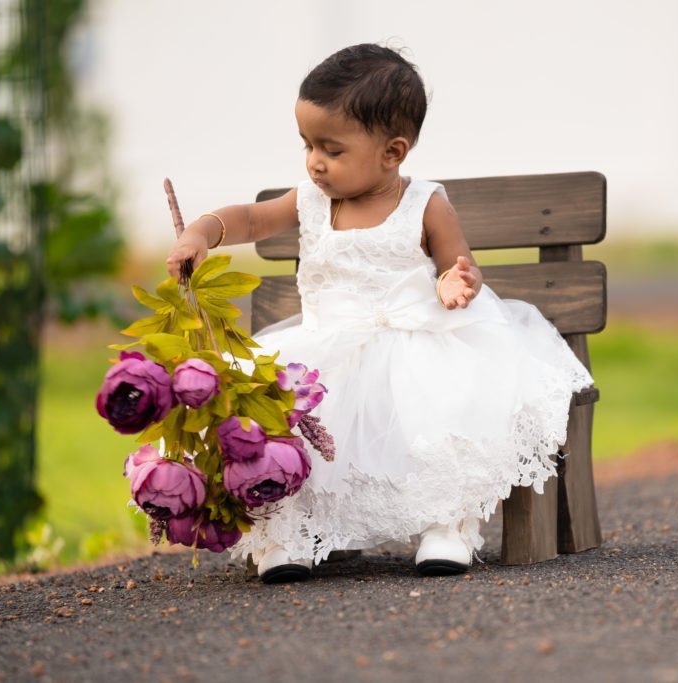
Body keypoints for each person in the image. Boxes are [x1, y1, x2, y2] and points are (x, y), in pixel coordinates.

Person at [166, 43, 593, 582]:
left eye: (332, 149)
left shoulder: (425, 204)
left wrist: (455, 282)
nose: (314, 161)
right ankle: (290, 533)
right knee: (284, 421)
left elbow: (456, 265)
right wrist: (201, 233)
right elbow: (250, 218)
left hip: (414, 341)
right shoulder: (310, 200)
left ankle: (445, 526)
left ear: (393, 152)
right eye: (307, 144)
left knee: (444, 409)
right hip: (328, 351)